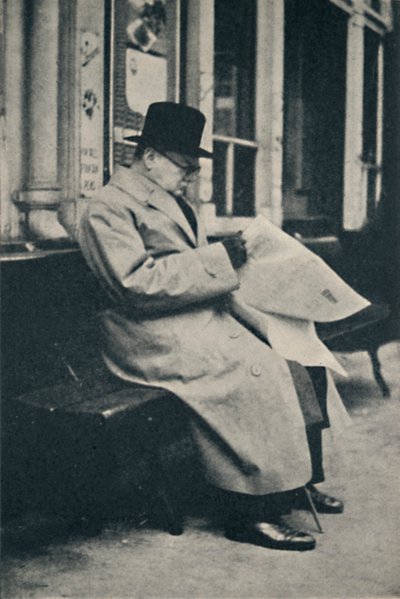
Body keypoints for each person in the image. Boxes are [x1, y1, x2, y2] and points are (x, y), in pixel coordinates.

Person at [78, 102, 344, 552]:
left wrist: (258, 308)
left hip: (186, 318)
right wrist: (219, 258)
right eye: (184, 166)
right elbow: (134, 284)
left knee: (294, 354)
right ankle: (248, 512)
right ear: (149, 157)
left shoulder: (172, 200)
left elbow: (191, 268)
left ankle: (293, 482)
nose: (191, 176)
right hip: (144, 335)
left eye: (193, 168)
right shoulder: (107, 208)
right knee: (250, 370)